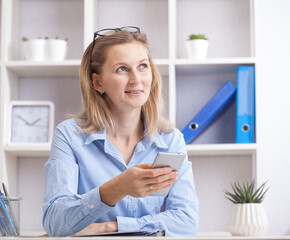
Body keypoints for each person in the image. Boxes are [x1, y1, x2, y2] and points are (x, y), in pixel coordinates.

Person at [42, 26, 199, 237]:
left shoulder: (171, 139)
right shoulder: (69, 136)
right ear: (97, 82)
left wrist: (109, 227)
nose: (136, 79)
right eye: (122, 69)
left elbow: (187, 222)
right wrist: (116, 188)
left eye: (143, 66)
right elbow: (55, 222)